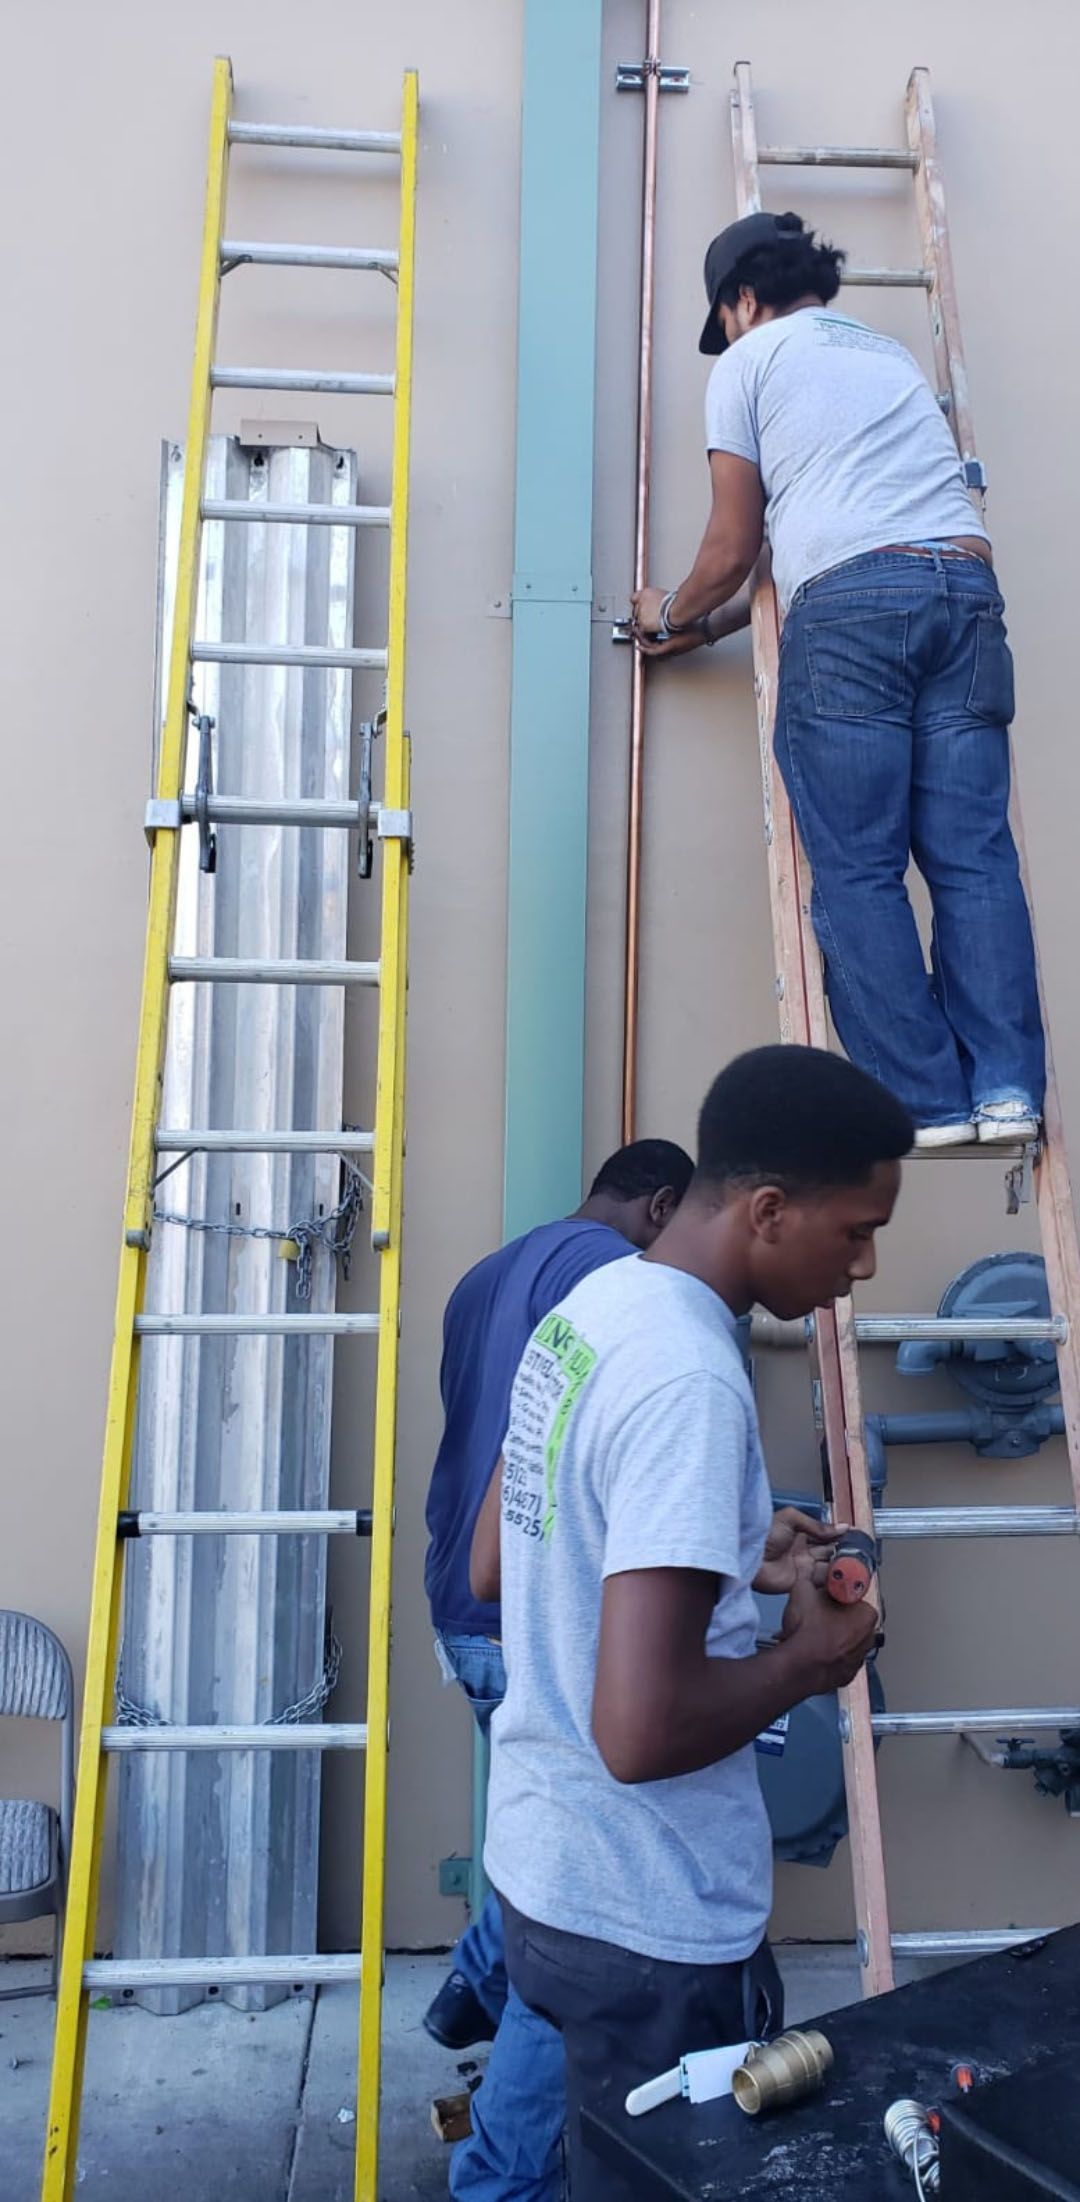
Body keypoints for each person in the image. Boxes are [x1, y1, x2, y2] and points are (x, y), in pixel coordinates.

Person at [471, 1045, 913, 2201]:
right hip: (646, 1921)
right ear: (768, 1210)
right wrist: (808, 1660)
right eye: (855, 1230)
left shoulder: (595, 1306)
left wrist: (734, 1548)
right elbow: (641, 1729)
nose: (863, 1266)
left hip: (546, 1867)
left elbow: (498, 1559)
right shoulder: (691, 1378)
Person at [632, 210, 1044, 1149]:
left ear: (743, 298)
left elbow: (735, 546)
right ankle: (1009, 1090)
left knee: (857, 867)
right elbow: (832, 538)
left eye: (725, 315)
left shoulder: (748, 362)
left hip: (855, 615)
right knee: (975, 859)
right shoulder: (886, 355)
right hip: (964, 592)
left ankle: (928, 1101)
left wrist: (665, 614)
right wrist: (716, 627)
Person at [423, 1137, 695, 2202]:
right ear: (660, 1206)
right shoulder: (613, 1284)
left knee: (543, 1853)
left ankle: (474, 1981)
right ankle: (499, 2179)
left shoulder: (483, 1277)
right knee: (576, 1920)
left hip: (465, 1608)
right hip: (533, 1616)